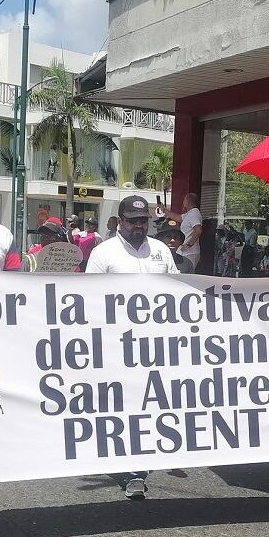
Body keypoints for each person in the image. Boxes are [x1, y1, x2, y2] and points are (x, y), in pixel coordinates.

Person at [86, 195, 178, 499]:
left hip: (157, 344)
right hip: (118, 345)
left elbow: (179, 291)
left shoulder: (161, 250)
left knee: (151, 404)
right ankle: (132, 469)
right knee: (126, 406)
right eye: (133, 220)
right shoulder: (103, 253)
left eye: (143, 221)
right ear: (120, 221)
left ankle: (141, 462)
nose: (139, 226)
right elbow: (88, 299)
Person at [179, 192, 202, 270]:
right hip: (187, 252)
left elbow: (198, 230)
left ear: (189, 203)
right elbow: (179, 218)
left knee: (186, 273)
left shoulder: (194, 214)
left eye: (184, 201)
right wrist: (165, 211)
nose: (183, 203)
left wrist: (188, 245)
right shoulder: (189, 214)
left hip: (190, 253)